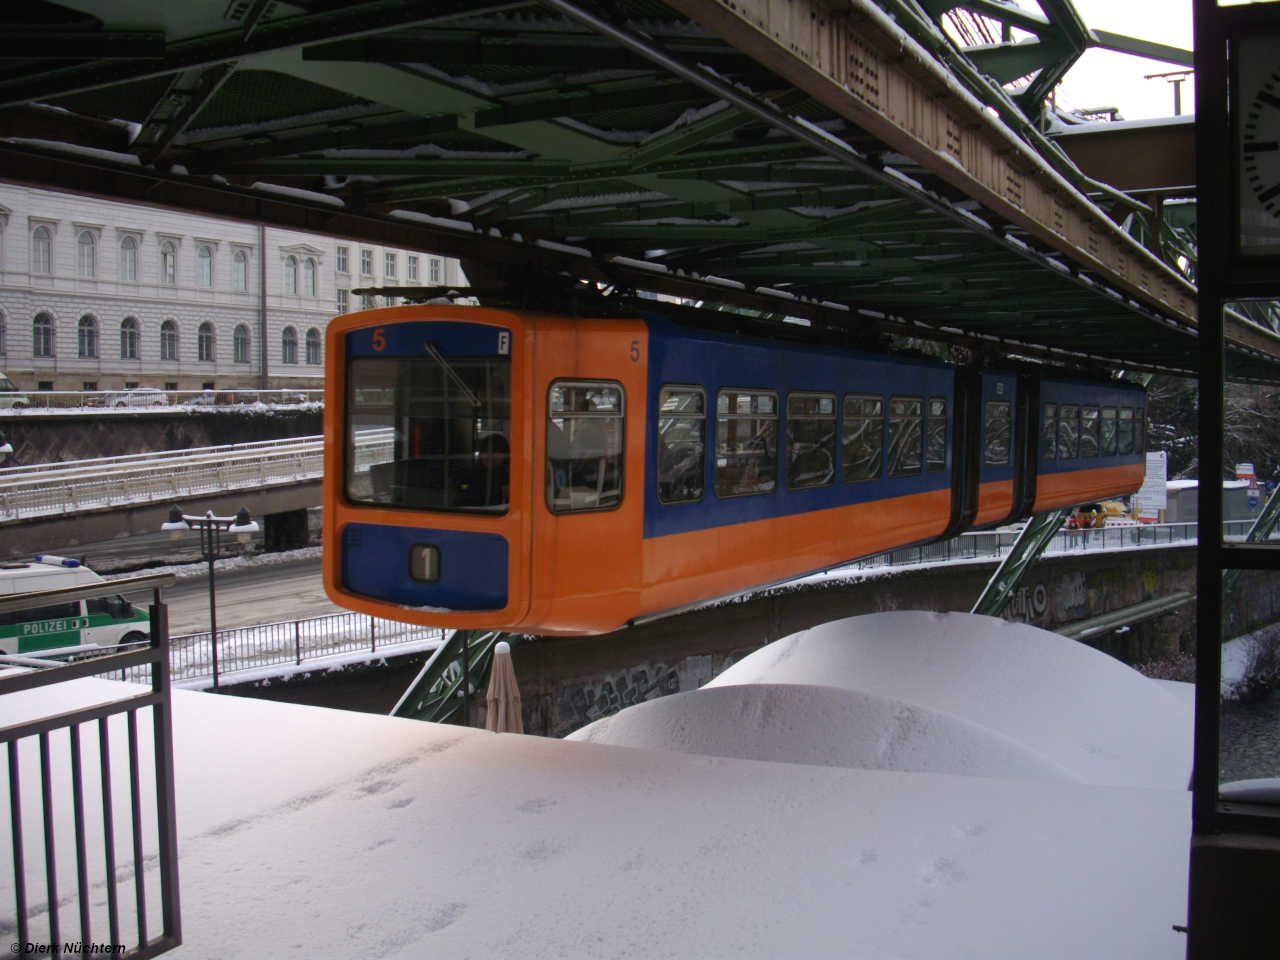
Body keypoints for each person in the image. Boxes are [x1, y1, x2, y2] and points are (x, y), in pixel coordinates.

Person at [455, 434, 509, 508]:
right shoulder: (472, 474)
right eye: (485, 452)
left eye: (494, 452)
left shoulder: (511, 475)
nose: (488, 457)